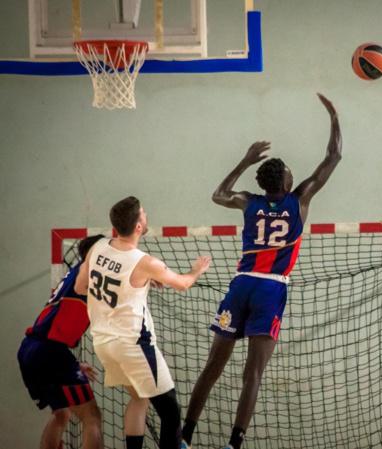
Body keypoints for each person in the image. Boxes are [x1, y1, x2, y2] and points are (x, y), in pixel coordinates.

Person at [180, 93, 342, 449]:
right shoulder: (299, 201)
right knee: (252, 373)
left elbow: (218, 194)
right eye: (289, 173)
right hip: (270, 289)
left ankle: (184, 436)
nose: (292, 174)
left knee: (212, 366)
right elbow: (334, 157)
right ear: (285, 184)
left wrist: (244, 160)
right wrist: (333, 115)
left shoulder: (249, 201)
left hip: (240, 286)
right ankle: (233, 444)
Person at [74, 196, 211, 449]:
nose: (147, 216)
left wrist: (134, 284)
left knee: (140, 399)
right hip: (133, 345)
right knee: (170, 410)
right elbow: (183, 284)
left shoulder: (97, 248)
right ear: (138, 226)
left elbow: (80, 286)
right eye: (144, 213)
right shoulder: (145, 262)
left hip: (104, 343)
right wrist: (195, 270)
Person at [18, 234, 105, 449]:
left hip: (32, 349)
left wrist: (72, 364)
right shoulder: (88, 272)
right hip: (49, 352)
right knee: (92, 417)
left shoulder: (75, 273)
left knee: (61, 414)